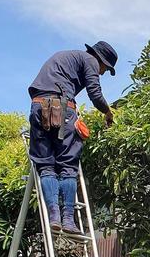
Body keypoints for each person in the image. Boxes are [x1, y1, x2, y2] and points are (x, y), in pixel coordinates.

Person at [28, 41, 118, 233]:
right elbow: (95, 93)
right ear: (101, 59)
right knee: (68, 166)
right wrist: (108, 112)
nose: (102, 72)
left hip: (38, 107)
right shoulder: (90, 61)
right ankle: (68, 219)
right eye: (105, 68)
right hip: (62, 108)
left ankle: (54, 216)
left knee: (46, 165)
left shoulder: (68, 57)